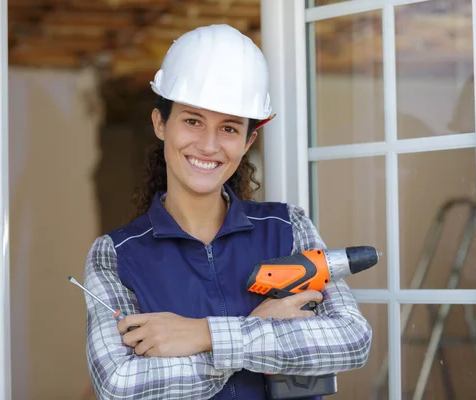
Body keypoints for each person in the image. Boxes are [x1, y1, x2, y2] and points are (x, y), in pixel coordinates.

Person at [82, 24, 372, 400]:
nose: (208, 145)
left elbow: (350, 340)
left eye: (229, 128)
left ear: (249, 139)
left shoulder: (288, 226)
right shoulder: (116, 256)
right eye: (192, 121)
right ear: (160, 124)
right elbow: (122, 384)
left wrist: (204, 334)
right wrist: (257, 327)